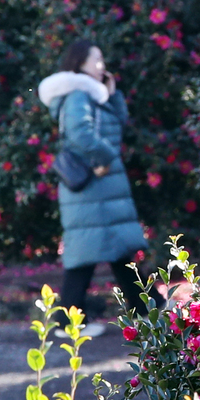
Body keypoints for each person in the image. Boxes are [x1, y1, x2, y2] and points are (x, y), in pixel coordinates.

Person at [37, 39, 164, 339]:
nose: (101, 66)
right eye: (96, 60)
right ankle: (69, 324)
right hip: (92, 187)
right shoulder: (79, 94)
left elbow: (119, 123)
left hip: (100, 188)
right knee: (87, 255)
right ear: (79, 63)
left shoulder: (93, 95)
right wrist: (106, 158)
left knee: (116, 250)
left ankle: (149, 308)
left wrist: (112, 93)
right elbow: (80, 134)